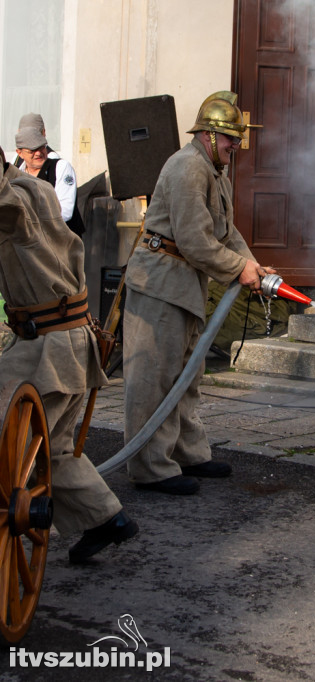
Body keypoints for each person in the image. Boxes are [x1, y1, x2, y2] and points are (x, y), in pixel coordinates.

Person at [122, 90, 272, 495]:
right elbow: (194, 241)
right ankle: (150, 467)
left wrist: (252, 266)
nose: (236, 146)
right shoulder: (189, 168)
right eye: (230, 139)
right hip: (161, 285)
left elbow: (225, 232)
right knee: (155, 376)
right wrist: (239, 269)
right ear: (208, 135)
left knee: (187, 374)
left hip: (184, 283)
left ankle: (187, 453)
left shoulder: (212, 170)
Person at [0, 145, 138, 563]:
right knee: (52, 448)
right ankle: (106, 519)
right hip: (67, 339)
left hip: (49, 348)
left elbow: (11, 213)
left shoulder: (17, 199)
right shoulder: (33, 188)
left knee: (11, 437)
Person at [14, 122, 85, 236]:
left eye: (41, 147)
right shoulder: (16, 174)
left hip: (61, 241)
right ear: (20, 153)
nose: (38, 153)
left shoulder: (61, 167)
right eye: (31, 150)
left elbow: (65, 211)